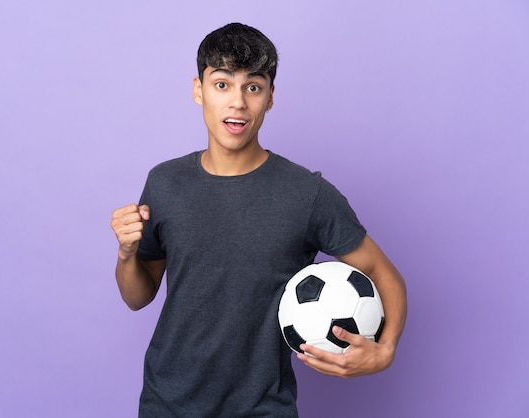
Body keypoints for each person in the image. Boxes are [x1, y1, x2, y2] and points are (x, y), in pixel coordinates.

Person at [110, 22, 407, 417]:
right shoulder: (165, 183)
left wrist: (384, 352)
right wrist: (127, 252)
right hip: (167, 404)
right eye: (222, 84)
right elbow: (137, 296)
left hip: (263, 408)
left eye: (253, 87)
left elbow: (384, 274)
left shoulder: (307, 194)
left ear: (269, 99)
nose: (237, 102)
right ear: (198, 90)